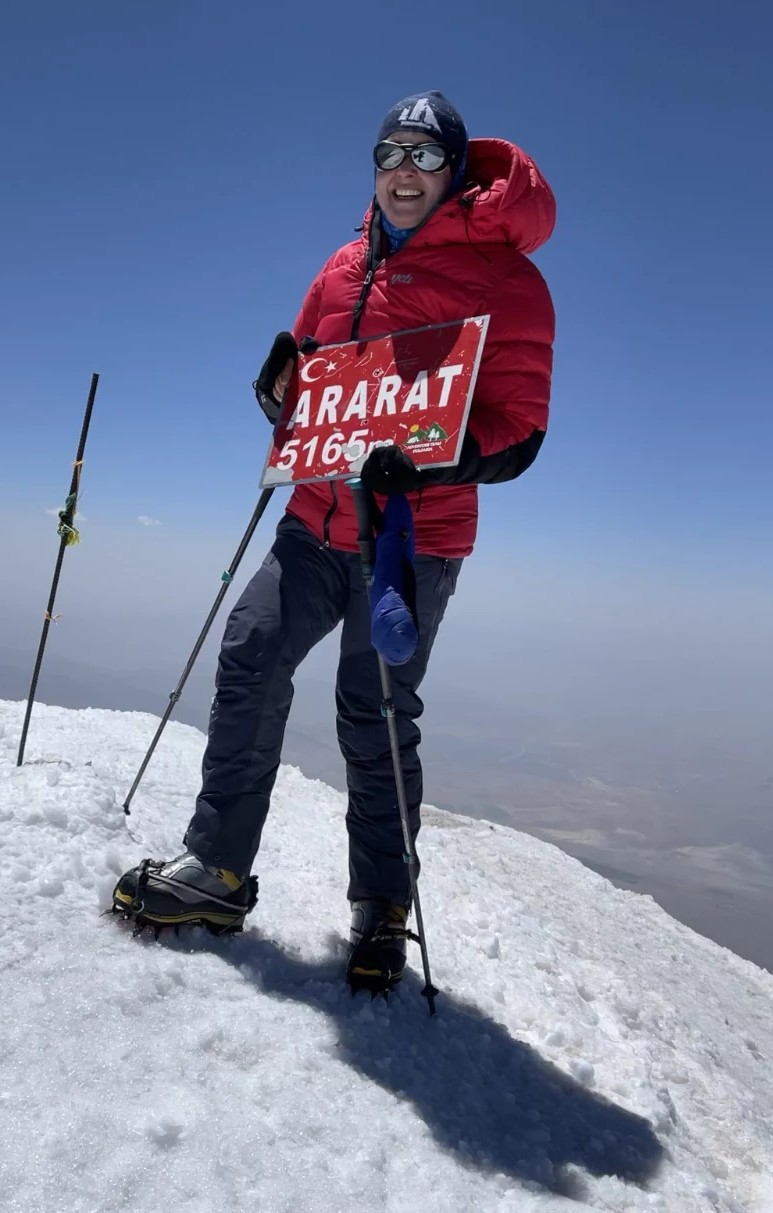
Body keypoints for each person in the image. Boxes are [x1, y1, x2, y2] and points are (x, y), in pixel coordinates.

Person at [113, 90, 556, 992]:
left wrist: (430, 466)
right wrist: (283, 392)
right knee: (250, 654)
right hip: (313, 523)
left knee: (376, 713)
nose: (405, 169)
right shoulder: (342, 266)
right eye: (390, 151)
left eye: (428, 156)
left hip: (414, 540)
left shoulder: (508, 280)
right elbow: (319, 388)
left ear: (457, 171)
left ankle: (382, 910)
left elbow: (520, 429)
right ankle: (216, 872)